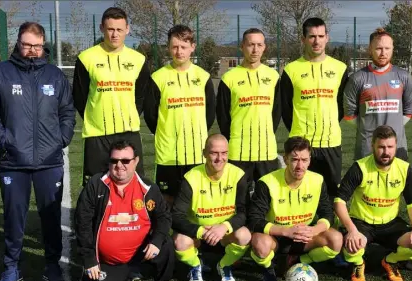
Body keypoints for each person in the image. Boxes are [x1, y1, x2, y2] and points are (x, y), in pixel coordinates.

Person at [0, 22, 76, 281]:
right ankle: (11, 267)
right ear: (18, 42)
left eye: (36, 45)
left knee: (51, 217)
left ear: (43, 44)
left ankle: (52, 265)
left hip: (50, 162)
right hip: (13, 162)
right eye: (26, 44)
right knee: (13, 218)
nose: (31, 50)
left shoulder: (55, 76)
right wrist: (4, 139)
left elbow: (68, 112)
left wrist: (61, 139)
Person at [75, 140, 175, 281]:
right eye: (114, 160)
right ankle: (95, 277)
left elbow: (163, 217)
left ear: (136, 161)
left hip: (141, 252)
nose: (119, 165)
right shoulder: (96, 185)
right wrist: (89, 259)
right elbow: (82, 223)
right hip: (109, 261)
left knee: (165, 243)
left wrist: (156, 241)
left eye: (126, 161)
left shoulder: (148, 188)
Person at [73, 7, 154, 186]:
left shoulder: (138, 60)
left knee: (133, 186)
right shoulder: (86, 58)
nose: (114, 34)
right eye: (110, 29)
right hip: (97, 135)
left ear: (127, 29)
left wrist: (128, 114)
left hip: (129, 133)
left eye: (119, 29)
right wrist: (95, 118)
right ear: (102, 28)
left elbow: (140, 97)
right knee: (95, 187)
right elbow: (80, 97)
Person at [333, 125, 412, 281]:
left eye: (390, 147)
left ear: (396, 146)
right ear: (372, 146)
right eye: (381, 147)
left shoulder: (404, 169)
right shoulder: (359, 167)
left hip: (390, 223)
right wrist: (352, 230)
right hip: (362, 223)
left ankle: (390, 261)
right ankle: (358, 263)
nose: (386, 152)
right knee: (351, 247)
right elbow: (339, 201)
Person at [248, 136, 343, 281]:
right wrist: (285, 231)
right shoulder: (267, 182)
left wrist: (314, 230)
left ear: (310, 160)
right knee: (260, 244)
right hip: (276, 237)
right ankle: (269, 269)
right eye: (295, 159)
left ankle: (298, 262)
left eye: (304, 160)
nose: (300, 165)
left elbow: (327, 213)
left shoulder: (317, 180)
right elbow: (254, 220)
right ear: (285, 159)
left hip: (304, 237)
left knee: (336, 240)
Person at [144, 24, 216, 206]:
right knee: (167, 200)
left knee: (197, 201)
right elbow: (151, 116)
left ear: (193, 47)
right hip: (168, 153)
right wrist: (165, 133)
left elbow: (210, 113)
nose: (179, 52)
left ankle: (194, 235)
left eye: (183, 47)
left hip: (198, 154)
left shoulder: (204, 77)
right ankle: (166, 234)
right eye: (174, 47)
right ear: (168, 48)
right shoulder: (158, 78)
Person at [280, 17, 349, 197]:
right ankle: (301, 224)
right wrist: (298, 131)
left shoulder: (340, 68)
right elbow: (285, 108)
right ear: (303, 39)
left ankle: (330, 225)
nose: (316, 41)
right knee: (299, 191)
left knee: (332, 191)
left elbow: (342, 105)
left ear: (327, 37)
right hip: (301, 143)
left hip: (331, 142)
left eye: (320, 36)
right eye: (311, 36)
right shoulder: (291, 70)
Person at [170, 134, 250, 281]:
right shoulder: (191, 177)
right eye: (214, 153)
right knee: (180, 241)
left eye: (224, 153)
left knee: (244, 235)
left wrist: (224, 226)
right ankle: (195, 265)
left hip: (224, 234)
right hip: (198, 235)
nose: (220, 158)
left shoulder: (238, 175)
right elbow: (176, 216)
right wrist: (200, 231)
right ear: (204, 153)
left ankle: (224, 265)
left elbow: (244, 212)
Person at [216, 28, 281, 192]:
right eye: (251, 44)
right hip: (238, 152)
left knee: (268, 200)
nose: (255, 49)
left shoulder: (273, 77)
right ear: (242, 46)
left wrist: (266, 132)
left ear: (264, 47)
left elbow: (276, 113)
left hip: (267, 151)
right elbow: (223, 116)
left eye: (259, 44)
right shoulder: (229, 78)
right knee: (238, 202)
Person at [343, 28, 412, 161]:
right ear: (370, 49)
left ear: (393, 49)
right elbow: (349, 114)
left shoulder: (403, 76)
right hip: (367, 147)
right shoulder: (357, 78)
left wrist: (393, 130)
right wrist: (368, 128)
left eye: (387, 48)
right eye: (378, 48)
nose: (383, 53)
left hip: (396, 147)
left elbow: (409, 110)